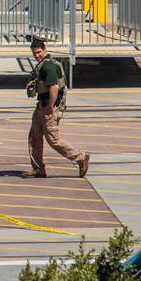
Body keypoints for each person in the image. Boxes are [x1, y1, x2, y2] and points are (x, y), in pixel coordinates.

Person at [24, 38, 90, 178]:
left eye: (39, 52)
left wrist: (50, 107)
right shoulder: (43, 65)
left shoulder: (48, 67)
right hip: (41, 105)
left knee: (53, 140)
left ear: (44, 49)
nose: (37, 55)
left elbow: (53, 87)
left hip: (48, 106)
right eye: (34, 53)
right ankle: (38, 169)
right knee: (34, 136)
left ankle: (80, 157)